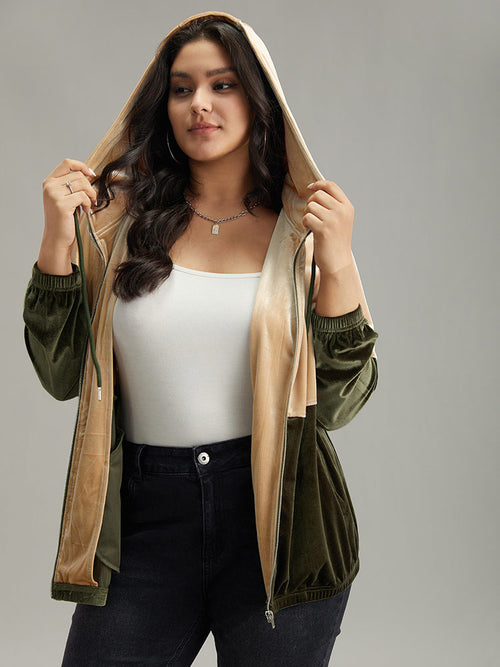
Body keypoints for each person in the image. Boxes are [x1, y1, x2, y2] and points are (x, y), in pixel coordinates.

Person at [23, 11, 379, 666]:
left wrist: (338, 264)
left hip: (280, 527)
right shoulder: (114, 224)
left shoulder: (303, 233)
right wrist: (56, 240)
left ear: (258, 97)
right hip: (144, 524)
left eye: (223, 84)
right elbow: (60, 372)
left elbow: (337, 405)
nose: (200, 104)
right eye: (182, 88)